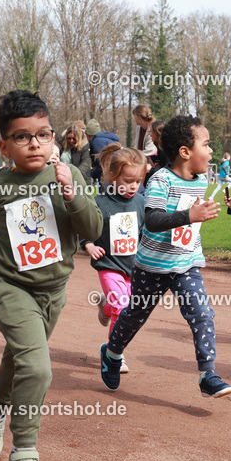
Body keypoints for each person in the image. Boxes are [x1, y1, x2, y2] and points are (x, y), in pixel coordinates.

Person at [0, 90, 102, 461]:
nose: (35, 143)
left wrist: (72, 193)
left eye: (43, 134)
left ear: (54, 137)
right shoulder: (0, 182)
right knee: (38, 368)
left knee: (20, 356)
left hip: (53, 291)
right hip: (8, 285)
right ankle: (24, 451)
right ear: (4, 146)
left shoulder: (68, 176)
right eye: (22, 136)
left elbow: (93, 229)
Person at [100, 114, 231, 398]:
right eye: (206, 144)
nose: (211, 151)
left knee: (202, 314)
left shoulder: (201, 180)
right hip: (152, 266)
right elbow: (153, 220)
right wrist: (189, 215)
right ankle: (112, 353)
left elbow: (189, 222)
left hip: (186, 263)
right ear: (185, 152)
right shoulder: (161, 179)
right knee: (136, 315)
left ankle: (207, 375)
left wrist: (196, 217)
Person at [81, 143, 148, 371]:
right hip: (108, 265)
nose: (133, 186)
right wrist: (89, 244)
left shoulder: (140, 202)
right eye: (128, 181)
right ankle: (114, 353)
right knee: (121, 307)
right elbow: (85, 227)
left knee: (128, 310)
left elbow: (145, 231)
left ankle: (105, 304)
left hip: (133, 268)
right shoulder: (100, 202)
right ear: (113, 176)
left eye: (138, 181)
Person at [86, 119, 120, 183]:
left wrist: (91, 174)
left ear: (88, 135)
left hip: (108, 176)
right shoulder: (108, 139)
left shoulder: (96, 142)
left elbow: (102, 165)